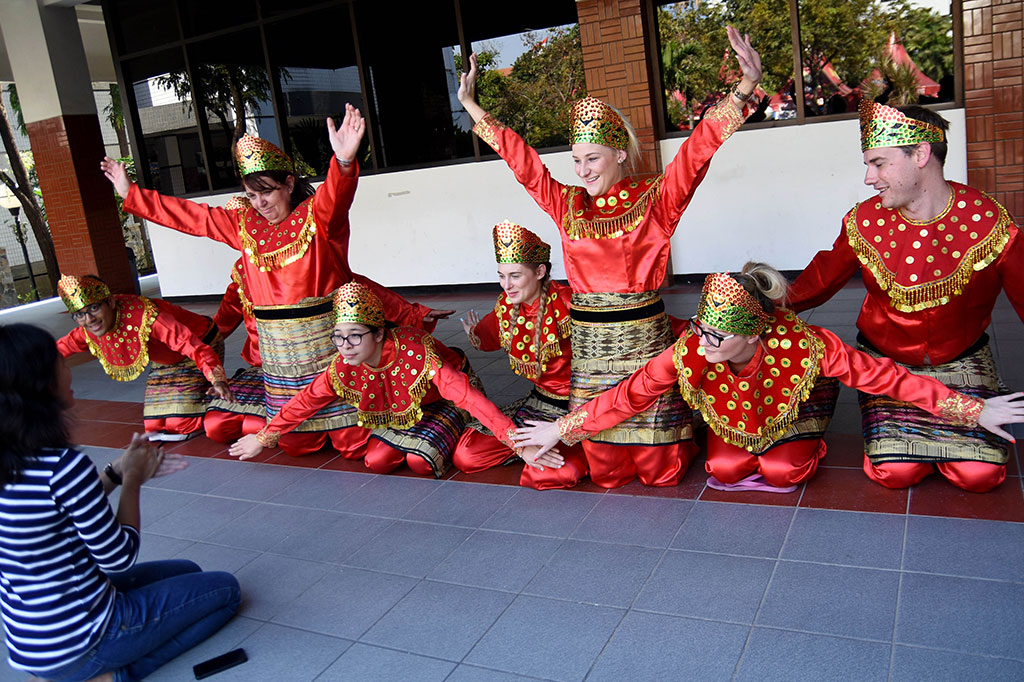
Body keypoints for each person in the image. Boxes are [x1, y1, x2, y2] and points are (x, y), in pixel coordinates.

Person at [457, 26, 763, 489]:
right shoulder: (568, 204)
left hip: (644, 345)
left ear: (619, 153)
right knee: (607, 475)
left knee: (661, 473)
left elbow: (696, 154)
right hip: (591, 354)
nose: (582, 171)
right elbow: (525, 166)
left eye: (593, 159)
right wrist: (474, 109)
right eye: (576, 160)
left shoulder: (655, 199)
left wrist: (741, 91)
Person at [101, 106, 451, 457]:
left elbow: (338, 203)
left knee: (354, 443)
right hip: (281, 363)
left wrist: (343, 162)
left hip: (329, 353)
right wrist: (131, 193)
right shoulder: (243, 225)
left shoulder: (317, 219)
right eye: (251, 196)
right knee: (295, 443)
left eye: (266, 192)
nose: (260, 203)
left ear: (288, 183)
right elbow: (192, 217)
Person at [514, 264, 1024, 492]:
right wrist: (562, 429)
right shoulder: (695, 347)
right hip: (737, 416)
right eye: (701, 330)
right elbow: (631, 392)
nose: (704, 343)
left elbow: (888, 378)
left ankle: (810, 444)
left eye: (718, 337)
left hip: (792, 407)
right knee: (726, 469)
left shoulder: (807, 346)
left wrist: (976, 409)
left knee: (782, 472)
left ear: (755, 335)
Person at [787, 99, 1024, 492]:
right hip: (888, 367)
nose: (868, 177)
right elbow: (816, 282)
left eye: (878, 163)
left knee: (980, 476)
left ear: (921, 154)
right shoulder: (863, 221)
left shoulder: (990, 223)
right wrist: (754, 299)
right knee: (896, 473)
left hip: (962, 362)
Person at [0, 323, 240, 682]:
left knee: (187, 569)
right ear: (39, 383)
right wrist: (133, 481)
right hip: (86, 637)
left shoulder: (15, 459)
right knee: (226, 590)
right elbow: (118, 556)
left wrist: (115, 472)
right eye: (59, 362)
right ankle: (112, 677)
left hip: (32, 642)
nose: (68, 369)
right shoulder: (61, 466)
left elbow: (56, 515)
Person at [229, 282, 529, 477]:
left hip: (444, 398)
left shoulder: (415, 351)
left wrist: (513, 438)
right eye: (339, 337)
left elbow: (466, 396)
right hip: (407, 408)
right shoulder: (344, 365)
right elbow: (307, 400)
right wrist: (264, 436)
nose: (345, 346)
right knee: (378, 461)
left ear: (379, 333)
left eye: (355, 336)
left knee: (420, 463)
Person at [453, 220, 588, 489]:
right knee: (466, 454)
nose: (506, 285)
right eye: (501, 276)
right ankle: (536, 450)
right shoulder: (506, 307)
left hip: (581, 404)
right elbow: (486, 336)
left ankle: (570, 446)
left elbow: (622, 326)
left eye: (515, 275)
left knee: (557, 473)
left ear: (539, 271)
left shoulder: (568, 302)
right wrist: (472, 332)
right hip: (541, 403)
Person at [55, 274, 230, 440]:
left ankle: (222, 396)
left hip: (201, 345)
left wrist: (217, 380)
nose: (89, 319)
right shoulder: (89, 329)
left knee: (181, 424)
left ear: (110, 301)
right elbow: (60, 347)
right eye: (80, 314)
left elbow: (192, 346)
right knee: (154, 426)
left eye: (94, 308)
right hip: (166, 361)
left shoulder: (147, 317)